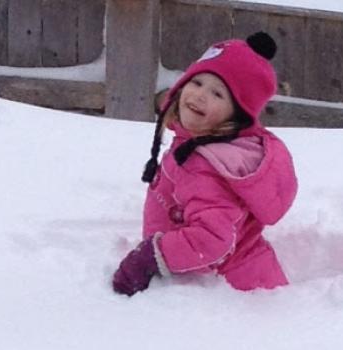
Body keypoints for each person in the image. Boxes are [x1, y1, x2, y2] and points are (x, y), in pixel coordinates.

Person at [112, 32, 298, 296]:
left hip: (229, 298)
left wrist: (152, 257)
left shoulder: (204, 166)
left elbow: (212, 239)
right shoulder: (193, 145)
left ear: (235, 116)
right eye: (197, 82)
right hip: (228, 279)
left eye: (217, 94)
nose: (200, 95)